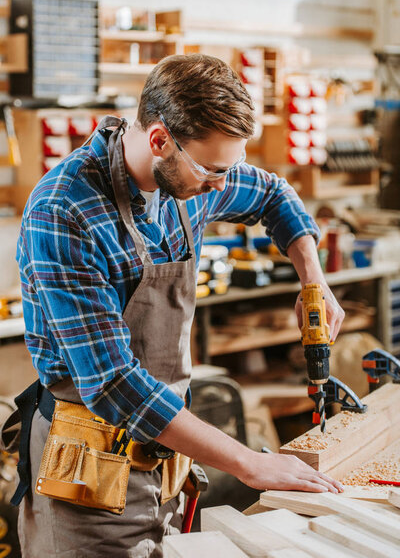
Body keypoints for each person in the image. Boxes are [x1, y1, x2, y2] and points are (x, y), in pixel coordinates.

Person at [13, 54, 344, 558]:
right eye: (212, 170)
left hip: (168, 465)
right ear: (160, 140)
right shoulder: (64, 210)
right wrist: (248, 463)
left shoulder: (195, 180)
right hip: (87, 477)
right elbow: (113, 384)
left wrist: (312, 281)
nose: (221, 185)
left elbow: (276, 196)